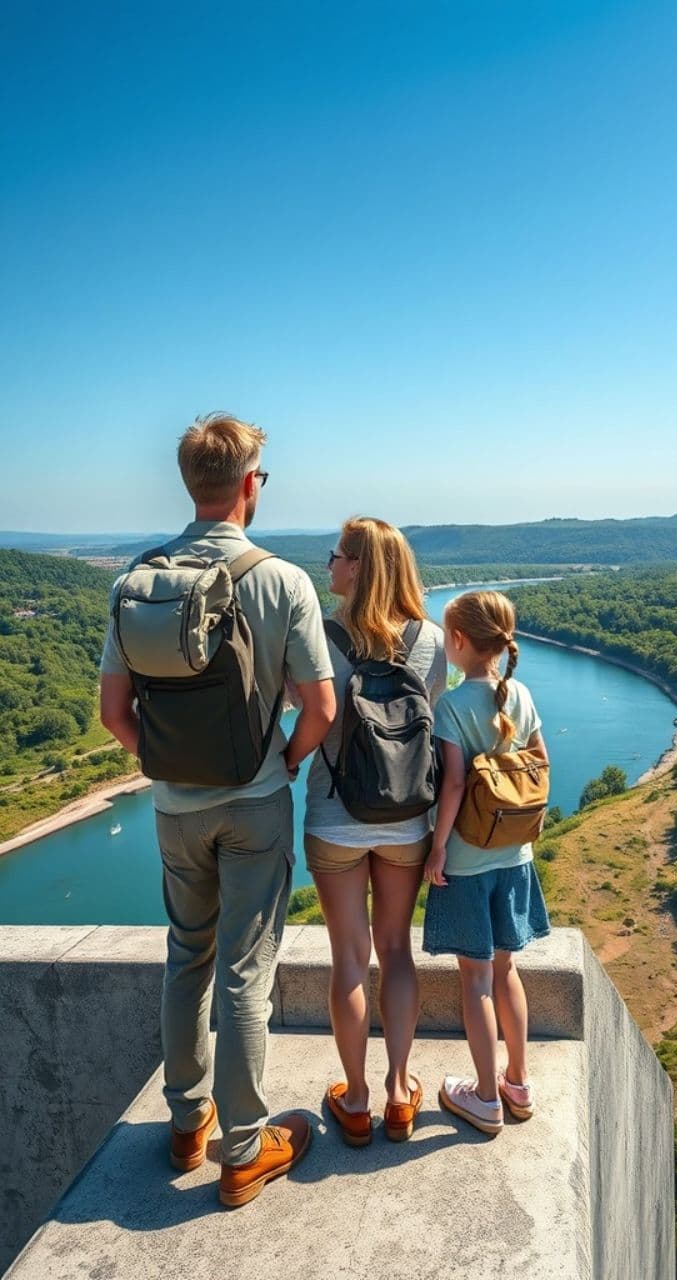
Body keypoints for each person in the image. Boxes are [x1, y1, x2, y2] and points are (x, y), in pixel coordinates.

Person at [99, 413, 336, 1206]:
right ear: (248, 484)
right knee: (245, 972)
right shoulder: (282, 579)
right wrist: (285, 764)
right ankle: (243, 1152)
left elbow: (112, 712)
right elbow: (321, 710)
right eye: (261, 477)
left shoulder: (138, 578)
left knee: (186, 958)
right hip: (256, 803)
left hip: (174, 811)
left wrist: (163, 765)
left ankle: (185, 1124)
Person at [303, 517, 446, 1144]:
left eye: (335, 555)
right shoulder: (432, 640)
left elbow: (301, 709)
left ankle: (355, 1101)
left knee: (350, 959)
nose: (328, 564)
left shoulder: (320, 637)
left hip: (334, 818)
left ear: (356, 566)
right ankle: (398, 1092)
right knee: (395, 950)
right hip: (408, 820)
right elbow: (432, 720)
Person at [422, 589, 550, 1135]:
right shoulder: (520, 693)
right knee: (507, 970)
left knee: (475, 979)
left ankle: (483, 1097)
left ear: (457, 641)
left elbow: (452, 782)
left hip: (469, 861)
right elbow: (541, 763)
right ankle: (517, 1085)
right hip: (515, 856)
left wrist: (436, 847)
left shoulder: (451, 706)